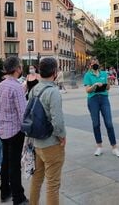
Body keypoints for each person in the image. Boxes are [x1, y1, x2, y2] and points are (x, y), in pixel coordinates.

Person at [29, 57, 66, 205]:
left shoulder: (34, 89)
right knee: (53, 184)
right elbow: (58, 121)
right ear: (54, 72)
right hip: (51, 143)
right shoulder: (53, 91)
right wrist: (62, 137)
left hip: (37, 142)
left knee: (37, 178)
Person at [0, 56, 28, 205]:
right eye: (20, 66)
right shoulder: (16, 86)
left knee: (6, 162)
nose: (21, 69)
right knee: (15, 165)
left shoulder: (2, 85)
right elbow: (23, 113)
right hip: (15, 131)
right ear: (17, 69)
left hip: (2, 129)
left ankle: (4, 191)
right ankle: (18, 197)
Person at [83, 57, 119, 157]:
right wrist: (95, 85)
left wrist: (107, 83)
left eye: (96, 63)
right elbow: (87, 90)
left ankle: (114, 147)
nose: (95, 65)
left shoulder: (104, 74)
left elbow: (108, 88)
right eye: (93, 64)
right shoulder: (88, 75)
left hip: (104, 99)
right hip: (93, 100)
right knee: (96, 123)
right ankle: (99, 146)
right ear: (90, 65)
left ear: (98, 64)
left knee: (109, 123)